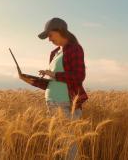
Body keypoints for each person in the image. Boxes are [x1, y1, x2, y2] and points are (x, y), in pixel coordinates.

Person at [19, 17, 89, 159]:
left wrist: (55, 74)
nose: (49, 40)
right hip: (52, 104)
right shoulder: (54, 53)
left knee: (69, 147)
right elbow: (52, 82)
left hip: (66, 104)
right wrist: (31, 81)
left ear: (60, 31)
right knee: (61, 147)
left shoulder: (74, 49)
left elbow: (79, 76)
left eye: (50, 35)